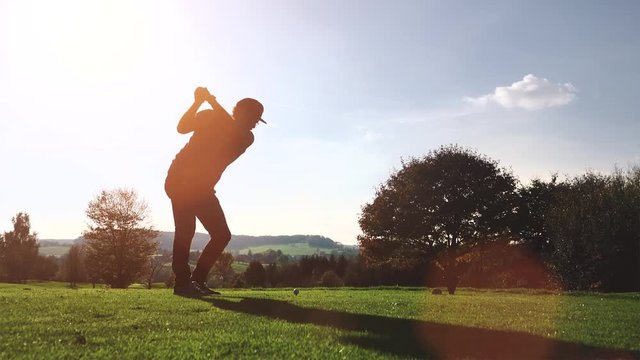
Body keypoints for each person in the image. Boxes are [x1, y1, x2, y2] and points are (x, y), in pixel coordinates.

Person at [165, 87, 265, 296]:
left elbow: (230, 128)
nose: (256, 123)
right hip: (180, 180)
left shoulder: (246, 137)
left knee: (221, 235)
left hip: (201, 188)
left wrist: (211, 100)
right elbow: (182, 128)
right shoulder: (211, 116)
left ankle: (196, 281)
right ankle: (183, 283)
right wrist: (197, 102)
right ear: (241, 113)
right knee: (186, 231)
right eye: (254, 117)